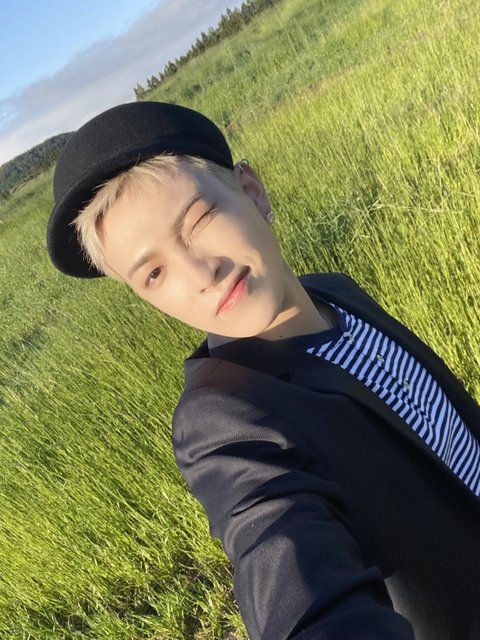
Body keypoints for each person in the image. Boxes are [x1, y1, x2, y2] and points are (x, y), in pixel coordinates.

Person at [47, 101, 480, 640]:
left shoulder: (334, 294)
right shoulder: (224, 422)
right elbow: (289, 571)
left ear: (252, 191)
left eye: (199, 219)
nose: (201, 273)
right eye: (154, 273)